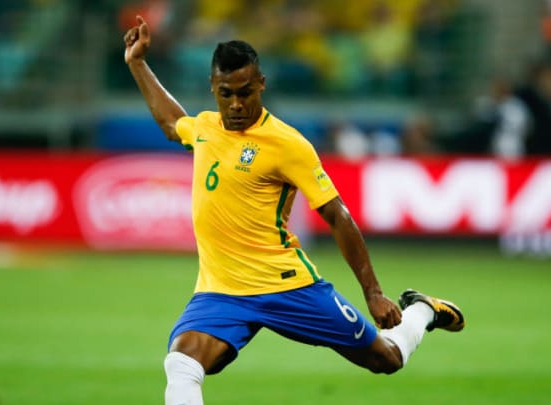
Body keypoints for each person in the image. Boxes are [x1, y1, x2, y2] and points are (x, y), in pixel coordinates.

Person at [123, 16, 465, 405]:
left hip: (287, 285)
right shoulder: (205, 128)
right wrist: (137, 62)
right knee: (182, 363)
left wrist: (373, 293)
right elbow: (172, 122)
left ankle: (422, 311)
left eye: (245, 92)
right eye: (226, 93)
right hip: (221, 291)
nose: (236, 104)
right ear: (213, 89)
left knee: (385, 359)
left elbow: (338, 215)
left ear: (262, 85)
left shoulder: (288, 144)